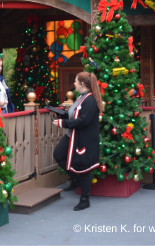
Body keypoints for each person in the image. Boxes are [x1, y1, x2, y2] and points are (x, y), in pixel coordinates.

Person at [52, 72, 104, 211]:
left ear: (82, 84)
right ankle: (75, 180)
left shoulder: (90, 100)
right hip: (72, 136)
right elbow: (76, 115)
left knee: (84, 167)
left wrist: (64, 123)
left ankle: (85, 199)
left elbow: (83, 121)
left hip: (83, 139)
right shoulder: (81, 98)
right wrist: (63, 115)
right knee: (58, 154)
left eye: (75, 81)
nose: (73, 83)